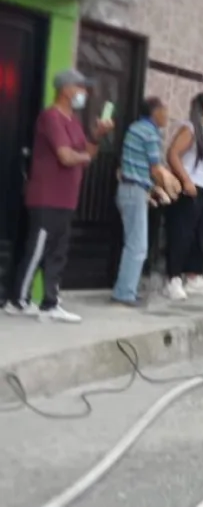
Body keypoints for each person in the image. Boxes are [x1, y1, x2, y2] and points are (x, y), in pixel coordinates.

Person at [2, 69, 113, 322]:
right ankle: (18, 301)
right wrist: (84, 157)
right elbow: (65, 156)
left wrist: (98, 135)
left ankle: (50, 302)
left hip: (66, 198)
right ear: (66, 89)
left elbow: (87, 152)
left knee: (58, 252)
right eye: (81, 87)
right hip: (46, 197)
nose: (84, 93)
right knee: (37, 250)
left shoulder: (73, 120)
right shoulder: (51, 117)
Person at [112, 97, 180, 306]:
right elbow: (155, 169)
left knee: (132, 243)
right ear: (155, 112)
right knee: (138, 245)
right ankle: (124, 293)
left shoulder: (135, 128)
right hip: (134, 191)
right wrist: (172, 186)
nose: (167, 116)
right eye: (165, 111)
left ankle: (125, 289)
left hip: (128, 189)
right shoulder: (151, 134)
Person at [164, 92, 203, 301]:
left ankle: (194, 277)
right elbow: (173, 154)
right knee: (183, 233)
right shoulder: (191, 128)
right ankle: (173, 279)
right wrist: (186, 181)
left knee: (202, 234)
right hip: (192, 189)